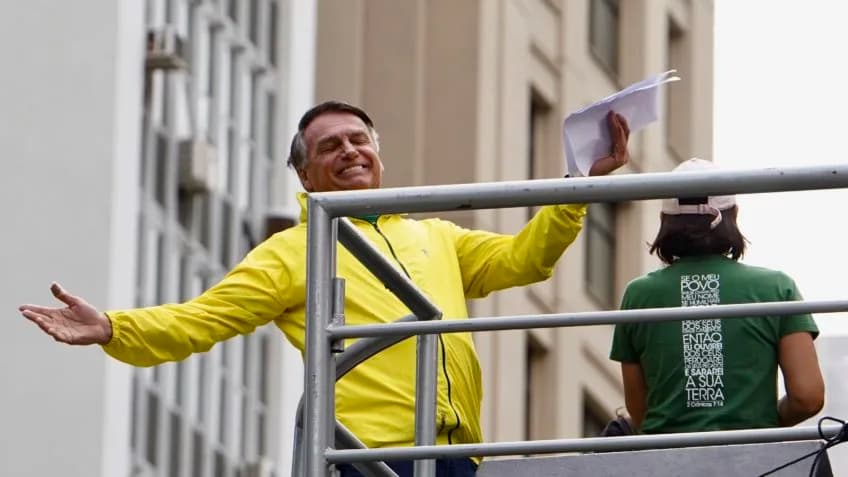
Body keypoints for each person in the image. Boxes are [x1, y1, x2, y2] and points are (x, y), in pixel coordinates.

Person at [19, 100, 631, 477]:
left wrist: (577, 183)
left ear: (379, 155)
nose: (350, 152)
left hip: (456, 454)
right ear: (305, 176)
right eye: (329, 146)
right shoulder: (295, 250)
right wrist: (114, 328)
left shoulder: (434, 235)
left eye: (359, 139)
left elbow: (525, 260)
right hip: (365, 456)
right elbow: (206, 318)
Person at [608, 158, 825, 435]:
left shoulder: (638, 295)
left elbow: (640, 412)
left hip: (665, 461)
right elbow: (808, 398)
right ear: (733, 215)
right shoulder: (776, 288)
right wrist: (765, 423)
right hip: (754, 460)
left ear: (665, 220)